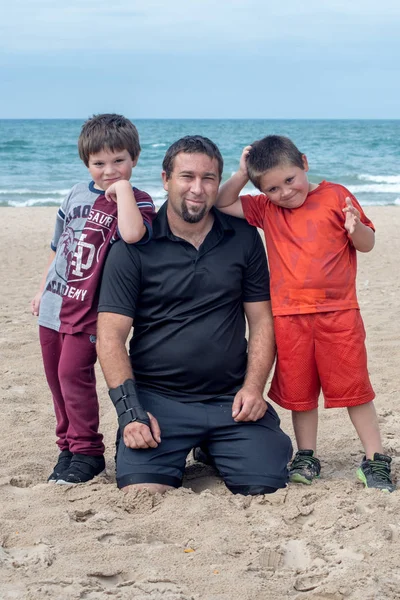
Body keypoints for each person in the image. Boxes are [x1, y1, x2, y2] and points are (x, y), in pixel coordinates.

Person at [96, 135, 292, 496]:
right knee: (142, 491)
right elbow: (109, 337)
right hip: (158, 400)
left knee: (266, 482)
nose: (197, 189)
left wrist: (253, 389)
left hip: (229, 399)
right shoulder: (134, 247)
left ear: (221, 182)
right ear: (166, 180)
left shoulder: (244, 238)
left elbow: (262, 320)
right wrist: (130, 412)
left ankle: (214, 448)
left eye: (209, 178)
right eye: (187, 177)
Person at [215, 134, 395, 492]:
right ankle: (307, 455)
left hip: (339, 313)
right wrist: (240, 173)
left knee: (354, 388)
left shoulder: (336, 195)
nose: (284, 192)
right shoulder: (266, 210)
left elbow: (368, 244)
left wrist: (355, 227)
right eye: (272, 188)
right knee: (300, 392)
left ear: (305, 164)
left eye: (289, 180)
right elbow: (222, 203)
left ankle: (375, 458)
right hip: (289, 317)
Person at [31, 114, 156, 485]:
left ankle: (87, 451)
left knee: (74, 375)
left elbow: (133, 235)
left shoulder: (140, 200)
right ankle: (68, 447)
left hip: (90, 310)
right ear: (87, 163)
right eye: (99, 163)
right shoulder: (74, 194)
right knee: (57, 380)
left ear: (134, 158)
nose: (109, 170)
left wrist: (122, 194)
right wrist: (41, 290)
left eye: (119, 161)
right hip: (55, 304)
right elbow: (58, 250)